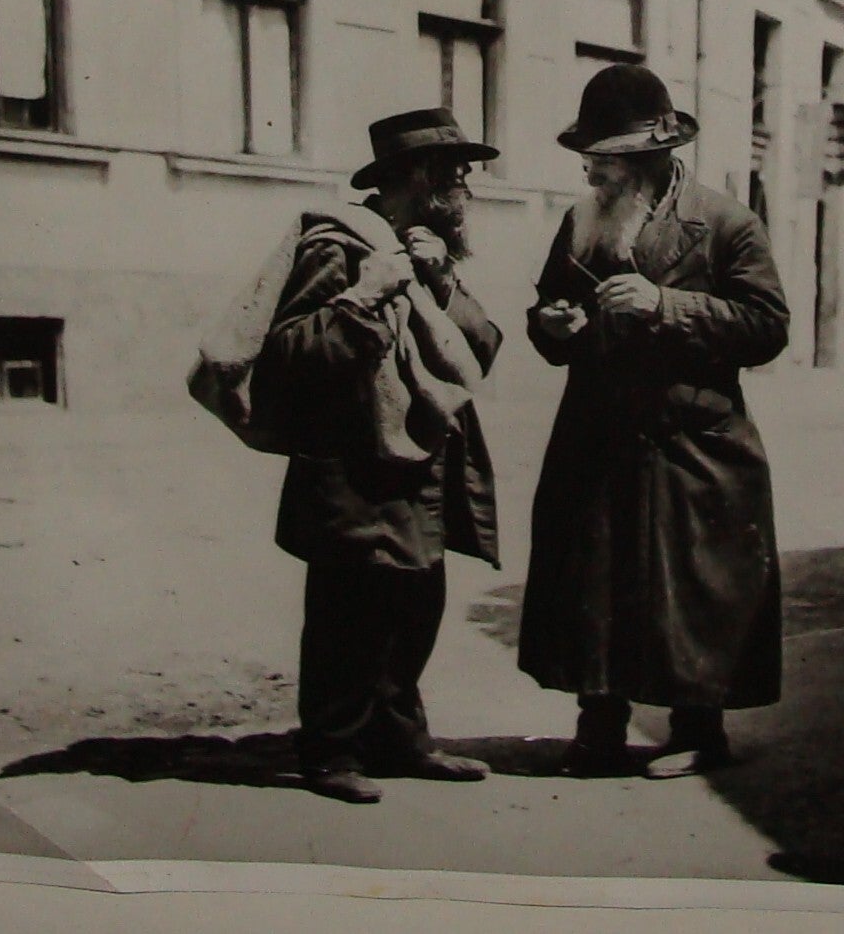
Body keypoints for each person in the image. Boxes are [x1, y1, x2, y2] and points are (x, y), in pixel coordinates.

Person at [519, 64, 790, 779]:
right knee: (595, 587)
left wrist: (664, 306)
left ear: (649, 158)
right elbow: (549, 314)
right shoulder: (581, 221)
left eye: (604, 161)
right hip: (598, 434)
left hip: (691, 439)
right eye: (590, 160)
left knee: (692, 590)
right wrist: (552, 325)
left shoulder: (727, 222)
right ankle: (598, 728)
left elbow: (768, 326)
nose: (592, 174)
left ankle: (699, 733)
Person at [251, 108, 502, 804]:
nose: (466, 189)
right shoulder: (340, 247)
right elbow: (288, 354)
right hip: (354, 466)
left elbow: (482, 344)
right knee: (348, 610)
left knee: (418, 598)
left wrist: (442, 281)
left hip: (419, 461)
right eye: (456, 174)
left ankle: (399, 737)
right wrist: (364, 297)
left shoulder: (428, 250)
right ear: (418, 179)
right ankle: (330, 751)